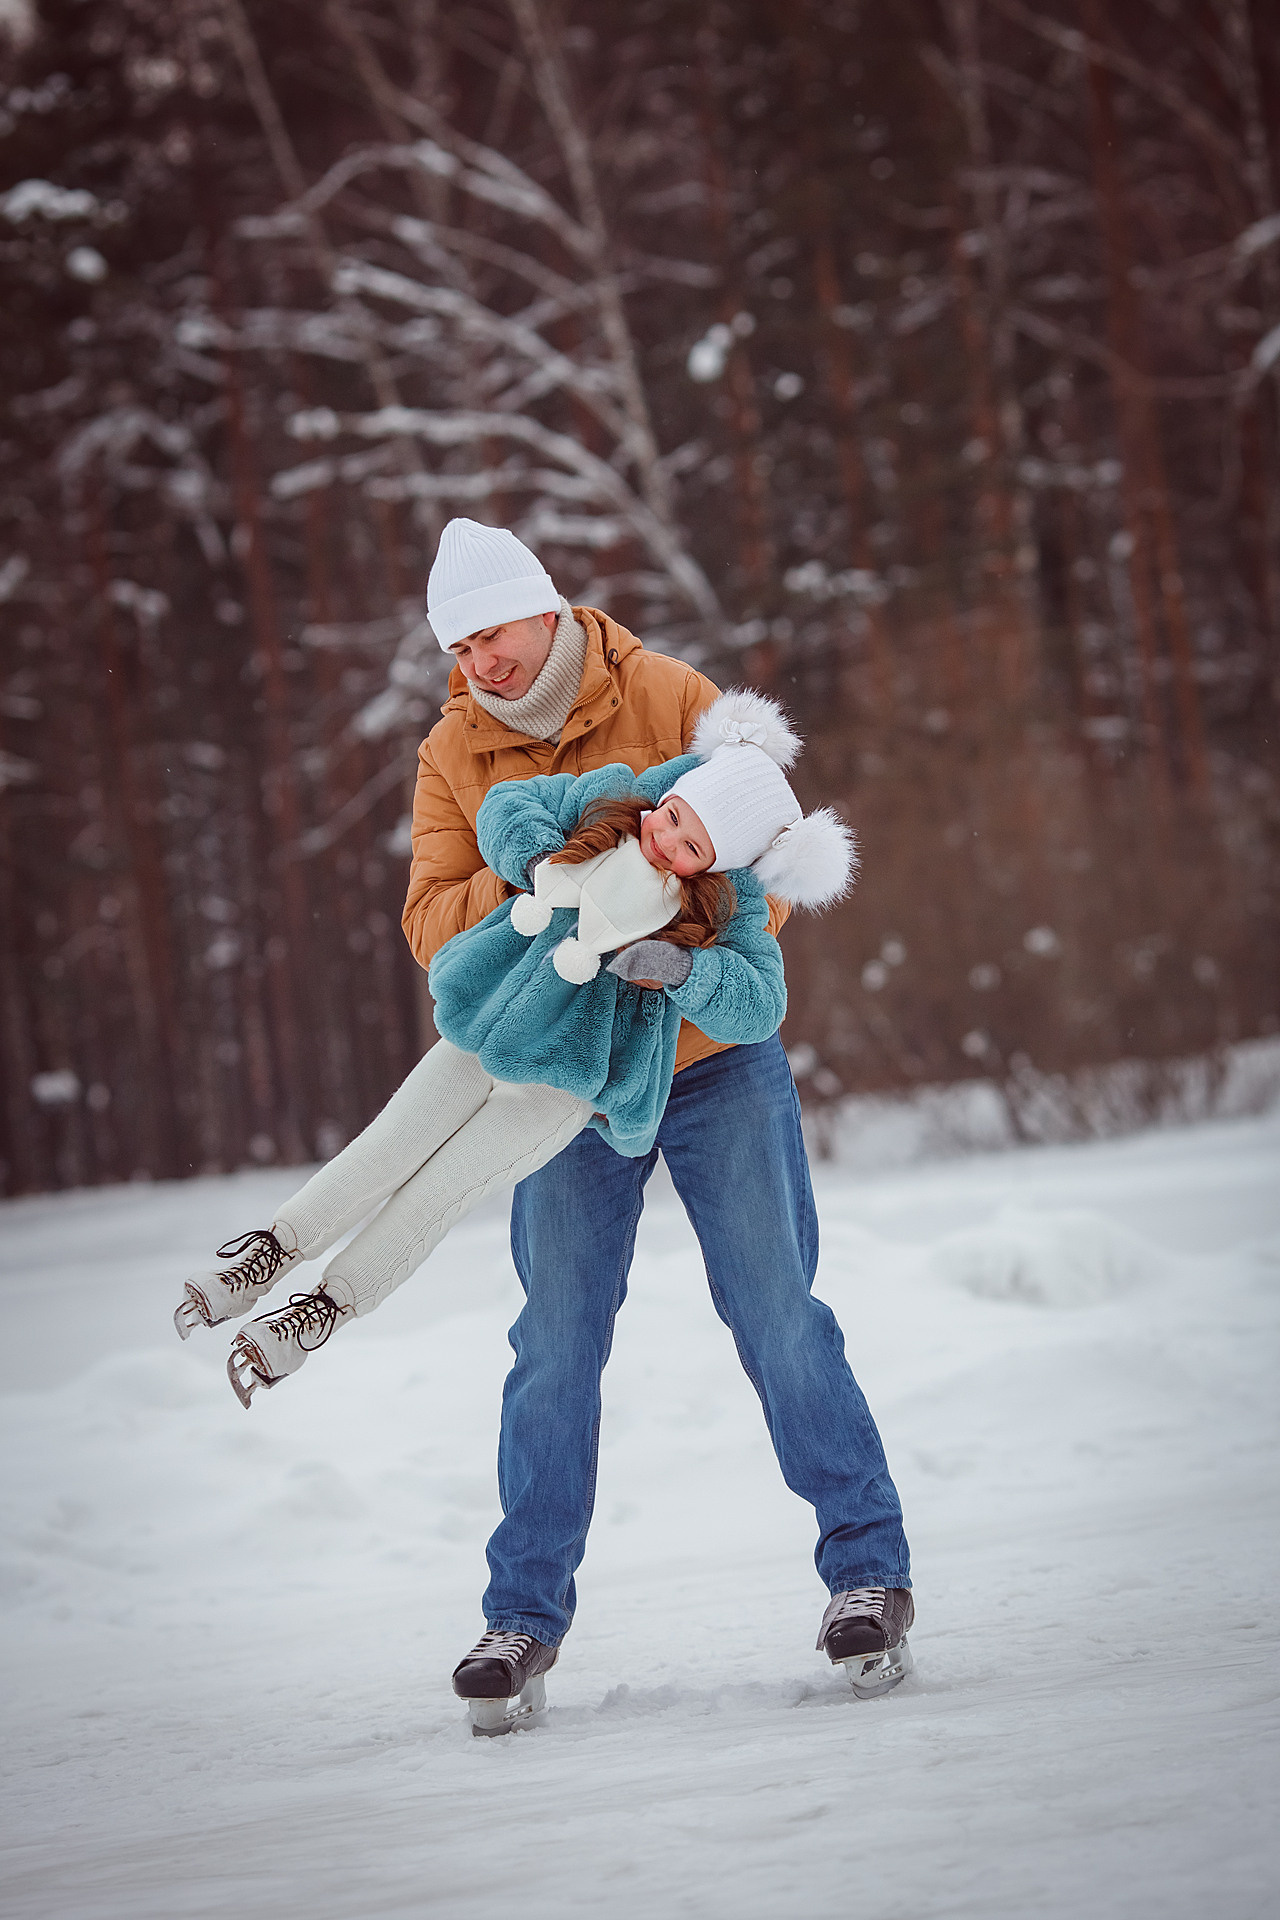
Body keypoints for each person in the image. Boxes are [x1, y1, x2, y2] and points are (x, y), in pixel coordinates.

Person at [173, 687, 850, 1416]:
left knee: (439, 1193)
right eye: (674, 818)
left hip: (564, 1082)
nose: (665, 842)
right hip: (488, 1026)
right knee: (385, 1152)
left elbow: (760, 1005)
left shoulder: (727, 908)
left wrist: (682, 968)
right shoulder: (610, 801)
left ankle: (317, 1315)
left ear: (719, 866)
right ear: (675, 792)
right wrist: (542, 864)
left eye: (691, 849)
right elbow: (505, 806)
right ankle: (271, 1252)